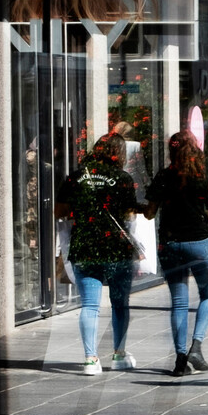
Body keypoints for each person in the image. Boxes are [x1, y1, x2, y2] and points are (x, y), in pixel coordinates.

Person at [146, 130, 208, 375]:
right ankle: (197, 344)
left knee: (179, 302)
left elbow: (150, 212)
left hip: (170, 244)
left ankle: (180, 358)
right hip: (198, 243)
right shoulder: (201, 177)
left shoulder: (163, 176)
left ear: (171, 150)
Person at [55, 133, 140, 375]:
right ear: (119, 153)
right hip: (116, 248)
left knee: (90, 305)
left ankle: (91, 360)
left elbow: (59, 211)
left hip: (85, 246)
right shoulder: (123, 179)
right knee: (120, 304)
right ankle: (119, 355)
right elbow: (129, 214)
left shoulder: (76, 176)